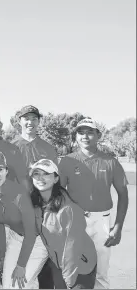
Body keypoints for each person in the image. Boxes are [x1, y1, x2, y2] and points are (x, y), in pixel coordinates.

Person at [59, 118, 129, 289]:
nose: (85, 136)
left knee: (101, 271)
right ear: (76, 136)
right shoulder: (67, 161)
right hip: (75, 221)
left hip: (102, 222)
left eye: (90, 132)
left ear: (98, 135)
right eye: (81, 132)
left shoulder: (111, 161)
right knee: (71, 267)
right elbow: (59, 194)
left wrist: (118, 226)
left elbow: (123, 195)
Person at [0, 150, 48, 289]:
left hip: (36, 241)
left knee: (18, 285)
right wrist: (2, 257)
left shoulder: (19, 193)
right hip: (15, 239)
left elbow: (31, 232)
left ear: (6, 171)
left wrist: (21, 265)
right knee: (7, 285)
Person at [30, 159, 97, 289]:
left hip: (80, 266)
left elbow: (73, 247)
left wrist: (69, 280)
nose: (40, 178)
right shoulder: (36, 204)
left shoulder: (69, 209)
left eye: (46, 174)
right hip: (58, 263)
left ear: (56, 179)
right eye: (36, 174)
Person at [12, 105, 58, 289]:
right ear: (20, 121)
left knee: (45, 268)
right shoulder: (12, 147)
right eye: (26, 118)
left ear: (39, 121)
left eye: (34, 118)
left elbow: (56, 179)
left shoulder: (48, 148)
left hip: (44, 210)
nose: (30, 122)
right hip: (17, 211)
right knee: (17, 262)